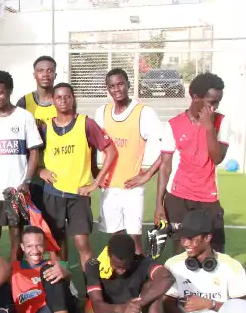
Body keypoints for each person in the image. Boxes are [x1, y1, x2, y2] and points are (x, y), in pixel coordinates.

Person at [38, 83, 117, 271]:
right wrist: (40, 170)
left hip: (78, 195)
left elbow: (111, 150)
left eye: (67, 96)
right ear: (52, 100)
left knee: (82, 244)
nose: (63, 100)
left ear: (73, 98)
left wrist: (95, 183)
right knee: (54, 245)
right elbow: (31, 154)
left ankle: (91, 292)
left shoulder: (85, 123)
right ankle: (62, 289)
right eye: (59, 97)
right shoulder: (45, 127)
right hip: (53, 193)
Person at [155, 72, 229, 254]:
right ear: (195, 97)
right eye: (211, 102)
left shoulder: (222, 122)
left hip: (208, 197)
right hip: (178, 197)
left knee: (216, 252)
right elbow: (165, 166)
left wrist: (209, 127)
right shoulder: (173, 125)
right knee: (181, 253)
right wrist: (158, 204)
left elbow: (217, 158)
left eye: (218, 102)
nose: (215, 107)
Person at [94, 69, 163, 254]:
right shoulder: (102, 112)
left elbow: (167, 148)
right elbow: (93, 144)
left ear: (128, 84)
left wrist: (147, 175)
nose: (117, 89)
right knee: (115, 241)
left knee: (134, 240)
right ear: (107, 89)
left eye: (121, 84)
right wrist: (97, 175)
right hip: (109, 188)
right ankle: (119, 281)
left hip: (132, 188)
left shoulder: (144, 112)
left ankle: (139, 279)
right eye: (112, 86)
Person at [0, 70, 43, 257]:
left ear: (9, 91)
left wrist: (27, 181)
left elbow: (34, 151)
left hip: (17, 190)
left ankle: (16, 275)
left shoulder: (24, 117)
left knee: (17, 235)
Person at [16, 55, 58, 211]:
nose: (45, 74)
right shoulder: (24, 102)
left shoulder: (62, 99)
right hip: (32, 172)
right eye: (40, 71)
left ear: (55, 74)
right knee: (33, 223)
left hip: (57, 171)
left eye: (50, 70)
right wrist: (37, 170)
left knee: (56, 225)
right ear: (34, 74)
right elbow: (19, 139)